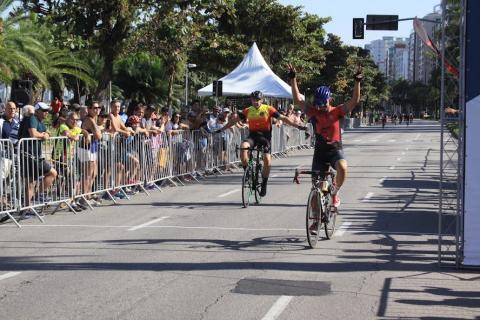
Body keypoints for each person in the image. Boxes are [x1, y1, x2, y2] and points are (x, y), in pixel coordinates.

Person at [288, 64, 362, 208]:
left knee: (343, 166)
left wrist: (357, 81)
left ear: (330, 99)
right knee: (317, 191)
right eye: (318, 105)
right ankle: (315, 222)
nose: (321, 107)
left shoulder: (337, 111)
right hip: (320, 154)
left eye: (323, 104)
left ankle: (335, 192)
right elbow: (297, 100)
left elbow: (354, 100)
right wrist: (293, 79)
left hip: (335, 150)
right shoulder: (314, 112)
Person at [217, 90, 306, 197]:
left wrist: (298, 126)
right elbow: (233, 121)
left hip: (265, 137)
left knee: (267, 160)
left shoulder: (268, 109)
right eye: (254, 100)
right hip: (253, 136)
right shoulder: (248, 110)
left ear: (262, 100)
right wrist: (221, 129)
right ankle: (247, 173)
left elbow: (283, 118)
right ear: (251, 100)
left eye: (258, 100)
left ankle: (264, 183)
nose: (256, 102)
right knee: (243, 147)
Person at [18, 102, 58, 218]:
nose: (46, 113)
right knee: (35, 180)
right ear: (37, 111)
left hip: (36, 155)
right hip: (29, 155)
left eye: (47, 111)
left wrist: (45, 134)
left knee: (33, 181)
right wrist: (43, 135)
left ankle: (32, 201)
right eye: (44, 110)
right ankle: (28, 206)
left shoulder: (39, 121)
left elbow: (48, 132)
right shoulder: (32, 118)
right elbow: (33, 133)